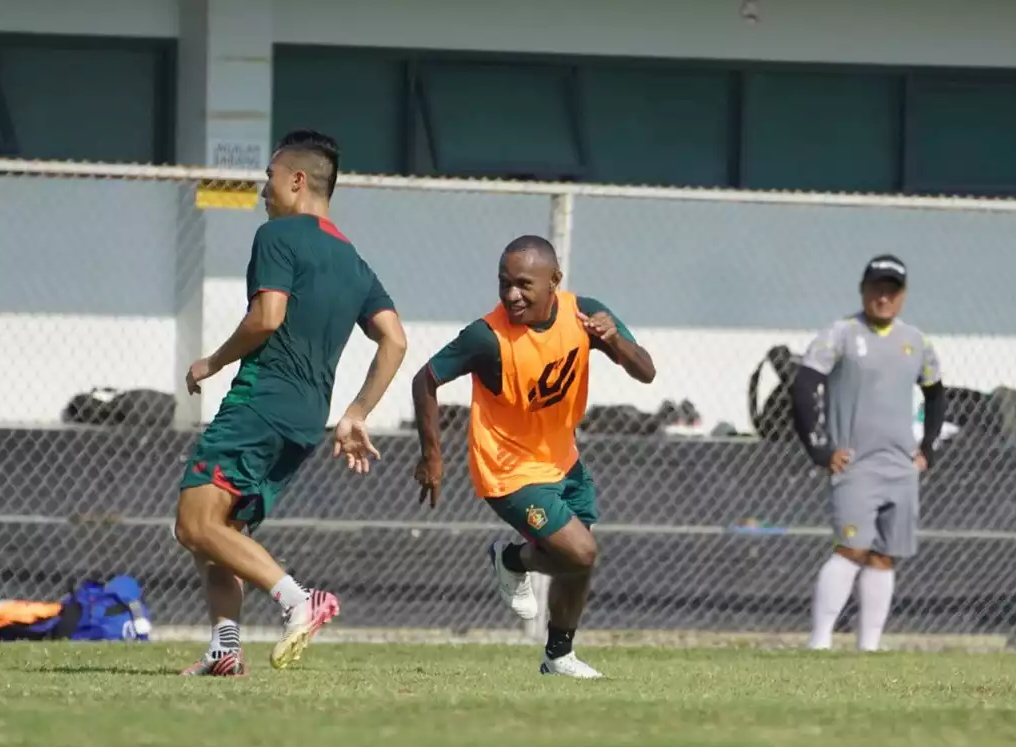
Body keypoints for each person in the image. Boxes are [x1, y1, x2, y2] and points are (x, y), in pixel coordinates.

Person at [176, 129, 408, 676]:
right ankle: (225, 649)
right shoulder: (353, 261)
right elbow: (395, 340)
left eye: (269, 178)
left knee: (193, 524)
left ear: (297, 180)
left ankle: (298, 600)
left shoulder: (277, 236)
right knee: (223, 531)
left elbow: (268, 317)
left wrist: (212, 361)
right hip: (307, 419)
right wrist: (356, 414)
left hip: (262, 402)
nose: (263, 190)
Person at [411, 235, 656, 678]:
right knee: (580, 552)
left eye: (523, 284)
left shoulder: (583, 315)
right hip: (508, 471)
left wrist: (615, 340)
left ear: (554, 282)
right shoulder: (487, 337)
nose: (511, 295)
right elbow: (425, 378)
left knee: (576, 562)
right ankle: (512, 559)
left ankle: (558, 656)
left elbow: (646, 372)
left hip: (563, 461)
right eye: (504, 283)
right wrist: (432, 456)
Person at [790, 254, 945, 652]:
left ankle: (869, 648)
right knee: (851, 547)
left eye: (892, 290)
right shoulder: (839, 333)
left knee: (884, 556)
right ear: (863, 290)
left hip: (901, 467)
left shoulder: (916, 341)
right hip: (856, 465)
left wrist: (927, 448)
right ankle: (819, 642)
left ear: (903, 295)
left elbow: (936, 392)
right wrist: (820, 449)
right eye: (877, 288)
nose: (883, 297)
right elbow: (804, 387)